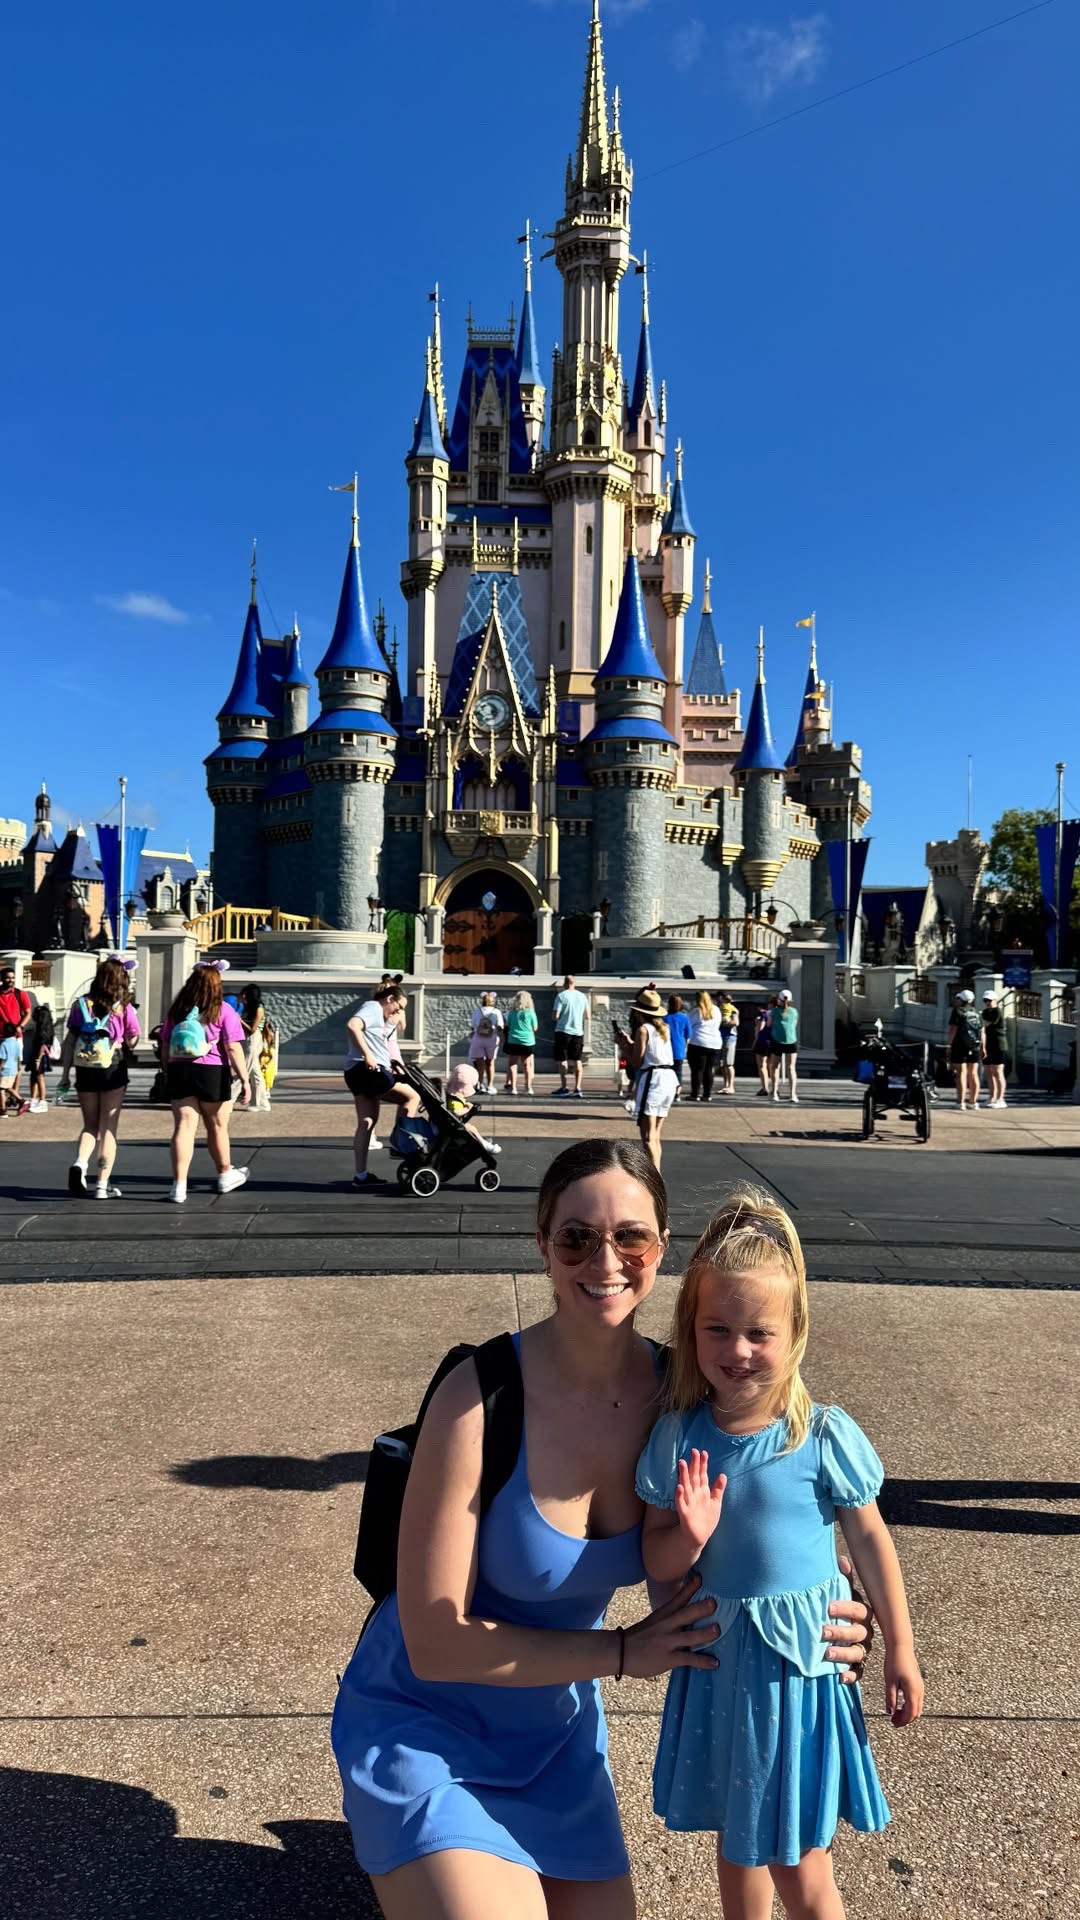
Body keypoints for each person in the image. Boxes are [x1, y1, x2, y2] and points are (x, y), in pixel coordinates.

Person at [331, 1138, 874, 1920]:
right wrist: (620, 1653)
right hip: (424, 1719)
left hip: (553, 1738)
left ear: (660, 1251)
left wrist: (839, 1622)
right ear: (544, 1248)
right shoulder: (478, 1395)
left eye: (631, 1237)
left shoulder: (682, 1402)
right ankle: (415, 1836)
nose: (605, 1259)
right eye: (577, 1237)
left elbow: (744, 1552)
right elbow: (434, 1640)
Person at [638, 1185, 923, 1917]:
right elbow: (656, 1561)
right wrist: (688, 1535)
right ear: (691, 1329)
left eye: (759, 1332)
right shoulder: (678, 1437)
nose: (737, 1350)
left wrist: (901, 1648)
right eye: (716, 1330)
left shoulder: (821, 1435)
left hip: (801, 1672)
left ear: (794, 1331)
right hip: (721, 1668)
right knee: (737, 1850)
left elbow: (869, 1539)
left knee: (801, 1863)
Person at [160, 960, 250, 1204]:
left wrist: (167, 1071)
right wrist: (245, 1079)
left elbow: (166, 1043)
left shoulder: (177, 1009)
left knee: (183, 1128)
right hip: (212, 1071)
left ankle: (179, 1186)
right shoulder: (222, 1010)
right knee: (217, 1127)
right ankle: (224, 1173)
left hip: (180, 1070)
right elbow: (232, 1047)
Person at [57, 956, 140, 1196]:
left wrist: (65, 1075)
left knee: (90, 1125)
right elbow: (133, 1040)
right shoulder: (123, 1007)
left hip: (85, 1069)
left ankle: (80, 1163)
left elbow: (70, 1040)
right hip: (112, 1068)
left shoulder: (80, 1005)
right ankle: (102, 1185)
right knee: (108, 1128)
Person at [343, 981, 422, 1188]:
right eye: (399, 1006)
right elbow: (353, 1025)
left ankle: (361, 1175)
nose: (399, 1011)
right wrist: (368, 1056)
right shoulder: (373, 1007)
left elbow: (377, 1039)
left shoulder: (379, 1015)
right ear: (389, 999)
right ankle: (401, 1141)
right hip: (370, 1071)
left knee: (367, 1122)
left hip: (356, 1072)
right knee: (412, 1096)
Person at [626, 989, 679, 1169]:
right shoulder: (664, 1028)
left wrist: (624, 1045)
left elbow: (636, 1061)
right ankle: (656, 1171)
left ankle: (654, 1177)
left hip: (653, 1079)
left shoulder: (643, 1030)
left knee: (648, 1137)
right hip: (668, 1078)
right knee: (655, 1135)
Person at [444, 1062, 501, 1153]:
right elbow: (455, 1112)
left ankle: (482, 1141)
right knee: (471, 1129)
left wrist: (466, 1105)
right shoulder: (454, 1100)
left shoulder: (453, 1096)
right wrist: (468, 1109)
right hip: (452, 1125)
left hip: (451, 1123)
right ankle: (484, 1144)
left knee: (472, 1128)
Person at [552, 972, 590, 1097]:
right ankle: (578, 1087)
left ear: (564, 983)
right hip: (578, 1031)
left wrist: (557, 1017)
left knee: (563, 1059)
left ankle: (564, 1087)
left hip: (563, 1030)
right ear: (574, 983)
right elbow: (587, 1016)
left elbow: (556, 1016)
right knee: (577, 1059)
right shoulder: (582, 996)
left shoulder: (561, 996)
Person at [946, 988, 982, 1111]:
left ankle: (960, 1102)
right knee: (973, 1073)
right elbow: (982, 1031)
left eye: (958, 998)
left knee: (961, 1073)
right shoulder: (976, 1012)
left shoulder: (957, 1011)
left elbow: (952, 1030)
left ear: (961, 1000)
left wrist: (949, 1046)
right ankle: (973, 1102)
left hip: (959, 1045)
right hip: (975, 1046)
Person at [238, 984, 271, 1112]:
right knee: (254, 1072)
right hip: (246, 1038)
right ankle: (262, 1102)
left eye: (245, 994)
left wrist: (239, 1020)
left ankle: (229, 1100)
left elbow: (252, 1029)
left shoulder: (259, 1008)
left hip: (253, 1039)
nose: (243, 996)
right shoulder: (247, 1007)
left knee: (243, 1069)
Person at [687, 990, 724, 1102]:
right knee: (709, 1069)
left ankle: (695, 1093)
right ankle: (707, 1094)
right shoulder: (716, 1010)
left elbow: (689, 1025)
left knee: (697, 1069)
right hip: (715, 1042)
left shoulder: (696, 1011)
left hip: (699, 1042)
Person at [467, 992, 504, 1095]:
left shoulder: (477, 1011)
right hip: (491, 1038)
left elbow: (473, 1025)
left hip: (478, 1038)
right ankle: (490, 1085)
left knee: (479, 1063)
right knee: (490, 1062)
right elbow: (500, 1026)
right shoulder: (496, 1011)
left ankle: (480, 1084)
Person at [503, 989, 539, 1093]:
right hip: (527, 1041)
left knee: (512, 1064)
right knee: (527, 1064)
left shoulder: (512, 1012)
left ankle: (513, 1087)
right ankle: (528, 1087)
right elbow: (535, 1027)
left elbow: (508, 1025)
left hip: (513, 1039)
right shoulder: (531, 1012)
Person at [768, 988, 800, 1104]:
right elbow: (794, 1025)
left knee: (775, 1067)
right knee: (791, 1068)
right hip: (791, 1041)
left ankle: (775, 1092)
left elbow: (769, 1024)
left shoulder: (775, 1012)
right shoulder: (794, 1011)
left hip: (777, 1041)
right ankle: (793, 1094)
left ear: (779, 1000)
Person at [25, 998, 55, 1112]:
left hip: (39, 1056)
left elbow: (42, 1045)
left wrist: (38, 1059)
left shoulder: (43, 1030)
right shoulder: (46, 1028)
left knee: (39, 1077)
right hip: (37, 1055)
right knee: (33, 1077)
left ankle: (42, 1101)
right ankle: (33, 1098)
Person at [982, 990, 1007, 1109]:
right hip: (988, 1044)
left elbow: (987, 1023)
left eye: (989, 1000)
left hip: (998, 1044)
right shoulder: (985, 1012)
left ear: (995, 1001)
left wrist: (981, 1022)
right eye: (985, 1001)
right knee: (988, 1071)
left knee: (998, 1071)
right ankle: (992, 1096)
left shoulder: (998, 1011)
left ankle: (1000, 1098)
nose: (987, 1003)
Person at [666, 993, 691, 1097]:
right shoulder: (684, 1017)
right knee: (678, 1072)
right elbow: (688, 1035)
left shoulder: (664, 1017)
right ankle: (677, 1092)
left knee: (667, 1072)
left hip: (666, 1048)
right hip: (679, 1047)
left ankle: (668, 1090)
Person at [1, 1021, 27, 1115]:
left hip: (4, 1070)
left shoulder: (3, 1044)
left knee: (1, 1089)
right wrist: (19, 1067)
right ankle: (21, 1101)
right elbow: (18, 1056)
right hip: (13, 1069)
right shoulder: (16, 1043)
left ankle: (3, 1110)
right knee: (7, 1087)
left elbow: (3, 1059)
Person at [718, 993, 740, 1097]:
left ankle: (731, 1086)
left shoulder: (732, 1009)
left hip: (729, 1037)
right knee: (723, 1064)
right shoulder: (719, 1009)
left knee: (729, 1063)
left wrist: (724, 1023)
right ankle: (726, 1085)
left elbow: (736, 1022)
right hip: (720, 1037)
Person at [753, 999, 775, 1096]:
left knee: (762, 1065)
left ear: (770, 1004)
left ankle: (765, 1087)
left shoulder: (764, 1014)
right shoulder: (778, 1013)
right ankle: (775, 1088)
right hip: (774, 1042)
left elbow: (760, 1028)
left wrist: (755, 1040)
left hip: (763, 1042)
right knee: (773, 1066)